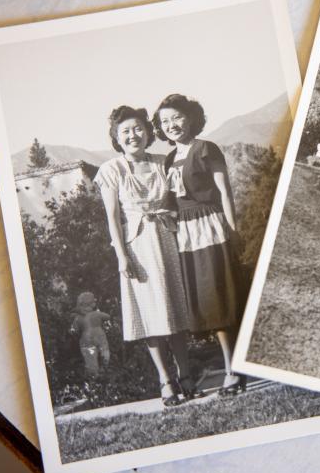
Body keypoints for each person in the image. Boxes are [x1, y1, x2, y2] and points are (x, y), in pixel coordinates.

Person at [94, 105, 196, 407]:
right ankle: (166, 381)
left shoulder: (162, 162)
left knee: (176, 309)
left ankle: (187, 375)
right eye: (125, 131)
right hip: (137, 245)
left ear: (149, 132)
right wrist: (121, 257)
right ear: (116, 137)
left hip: (168, 240)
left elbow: (179, 199)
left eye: (138, 128)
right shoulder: (111, 170)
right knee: (150, 313)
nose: (132, 135)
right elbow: (112, 217)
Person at [154, 94, 246, 397]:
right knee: (204, 303)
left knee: (219, 299)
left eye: (177, 118)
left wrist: (233, 231)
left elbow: (224, 191)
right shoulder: (168, 160)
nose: (172, 125)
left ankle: (234, 371)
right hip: (185, 235)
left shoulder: (205, 149)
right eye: (165, 122)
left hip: (210, 228)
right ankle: (231, 367)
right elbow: (174, 200)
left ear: (192, 118)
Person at [70, 291, 111, 378]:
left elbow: (74, 331)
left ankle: (93, 377)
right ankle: (104, 371)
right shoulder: (97, 314)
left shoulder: (78, 318)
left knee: (90, 360)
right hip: (100, 337)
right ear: (92, 304)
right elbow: (108, 316)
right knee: (105, 353)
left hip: (86, 339)